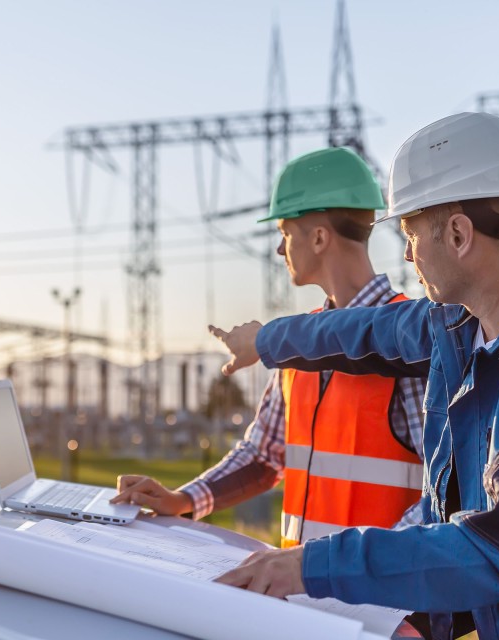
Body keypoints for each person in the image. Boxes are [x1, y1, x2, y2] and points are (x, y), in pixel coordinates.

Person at [212, 112, 499, 640]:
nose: (406, 254)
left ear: (457, 234)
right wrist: (264, 342)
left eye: (409, 233)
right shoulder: (455, 328)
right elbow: (355, 332)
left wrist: (307, 567)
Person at [113, 147, 426, 547]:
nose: (280, 250)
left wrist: (370, 572)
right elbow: (263, 455)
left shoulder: (407, 348)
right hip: (301, 593)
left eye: (284, 233)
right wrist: (183, 499)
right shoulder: (295, 346)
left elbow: (442, 492)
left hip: (379, 601)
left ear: (317, 238)